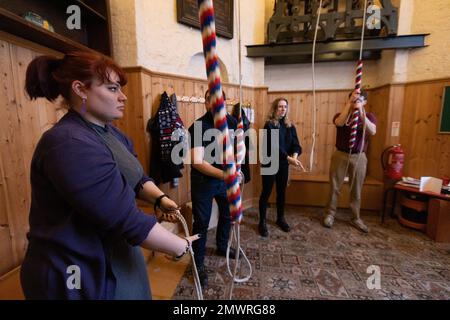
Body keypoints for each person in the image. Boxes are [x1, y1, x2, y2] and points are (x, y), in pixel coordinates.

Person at [20, 51, 198, 300]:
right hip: (73, 270)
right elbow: (125, 218)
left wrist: (159, 199)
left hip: (112, 253)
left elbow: (136, 177)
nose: (123, 97)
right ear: (80, 89)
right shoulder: (68, 143)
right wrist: (181, 246)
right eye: (113, 88)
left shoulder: (111, 133)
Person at [188, 89, 238, 287]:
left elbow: (235, 151)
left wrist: (236, 170)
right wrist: (227, 175)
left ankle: (222, 246)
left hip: (226, 181)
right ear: (206, 103)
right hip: (204, 181)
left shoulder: (232, 123)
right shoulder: (198, 126)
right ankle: (197, 263)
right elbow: (197, 163)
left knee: (227, 215)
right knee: (201, 222)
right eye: (212, 101)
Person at [323, 89, 377, 233]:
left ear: (365, 102)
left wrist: (361, 112)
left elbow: (372, 131)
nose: (355, 103)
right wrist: (349, 104)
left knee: (356, 188)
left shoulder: (369, 116)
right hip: (340, 154)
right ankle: (330, 214)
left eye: (359, 100)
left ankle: (355, 217)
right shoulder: (342, 115)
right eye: (353, 100)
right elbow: (339, 123)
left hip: (359, 156)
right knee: (335, 186)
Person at [258, 97, 302, 237]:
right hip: (270, 163)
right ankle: (262, 221)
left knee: (281, 192)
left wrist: (294, 156)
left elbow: (296, 144)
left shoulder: (290, 126)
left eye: (285, 107)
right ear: (275, 109)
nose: (283, 109)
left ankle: (280, 218)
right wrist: (289, 159)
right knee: (266, 192)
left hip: (284, 164)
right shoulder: (269, 125)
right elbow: (274, 147)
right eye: (280, 106)